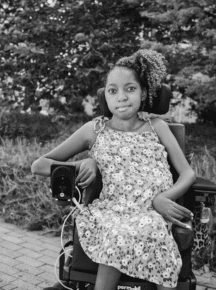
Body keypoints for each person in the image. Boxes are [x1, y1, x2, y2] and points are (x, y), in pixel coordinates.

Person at [31, 49, 196, 290]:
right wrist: (84, 164)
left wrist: (163, 198)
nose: (121, 97)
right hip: (111, 211)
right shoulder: (94, 130)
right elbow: (39, 165)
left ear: (144, 93)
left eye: (130, 89)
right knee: (118, 233)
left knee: (153, 232)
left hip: (151, 211)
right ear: (105, 98)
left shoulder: (157, 126)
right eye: (113, 91)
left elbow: (188, 173)